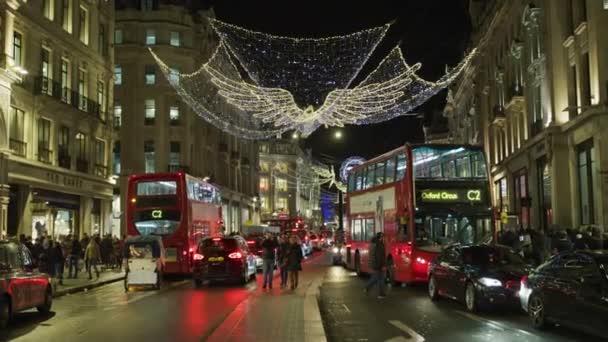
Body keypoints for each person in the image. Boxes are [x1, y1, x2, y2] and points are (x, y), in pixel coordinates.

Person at [364, 232, 387, 298]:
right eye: (383, 237)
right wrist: (382, 265)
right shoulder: (379, 245)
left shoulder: (374, 243)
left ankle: (367, 288)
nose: (384, 238)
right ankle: (381, 294)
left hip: (375, 264)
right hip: (378, 264)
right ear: (380, 237)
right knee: (381, 279)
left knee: (375, 278)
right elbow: (380, 256)